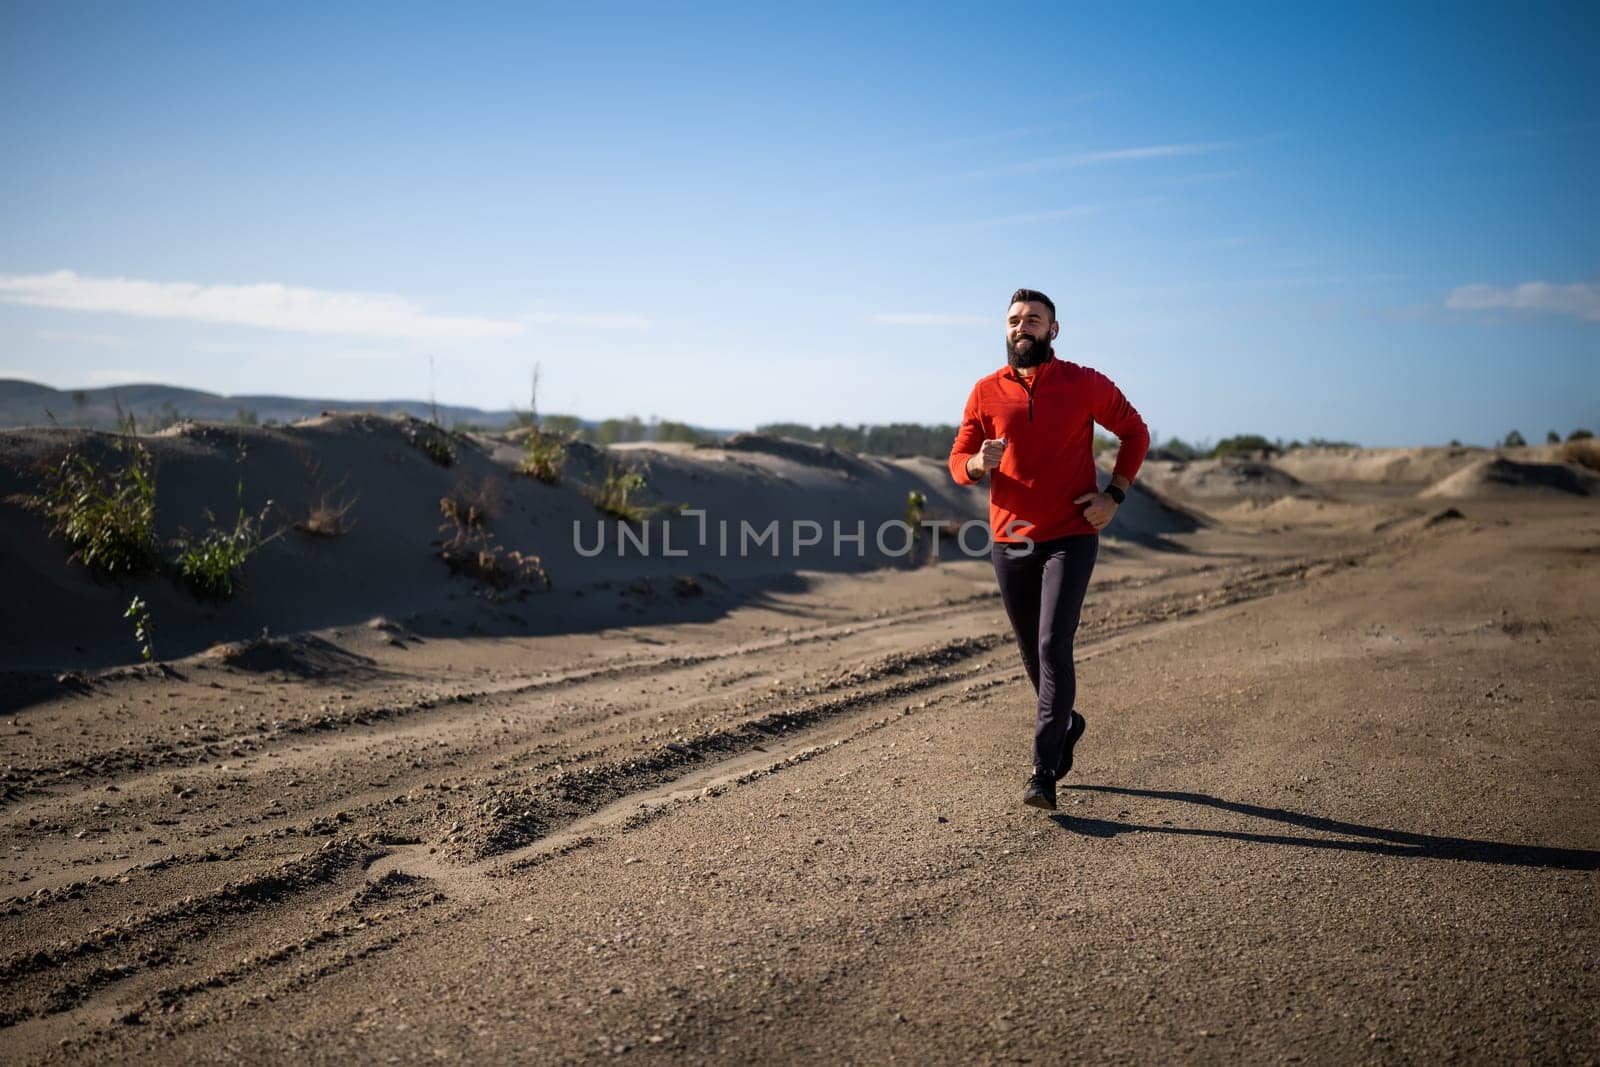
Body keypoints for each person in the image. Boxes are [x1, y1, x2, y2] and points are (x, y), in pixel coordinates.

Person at [948, 288, 1150, 811]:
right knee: (1029, 650)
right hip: (1011, 537)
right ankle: (1067, 721)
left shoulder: (1084, 383)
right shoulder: (984, 392)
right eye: (1015, 320)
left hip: (1071, 534)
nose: (1022, 327)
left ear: (1052, 331)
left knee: (1052, 643)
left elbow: (1134, 432)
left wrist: (1114, 495)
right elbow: (957, 461)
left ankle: (1043, 770)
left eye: (1033, 320)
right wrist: (978, 465)